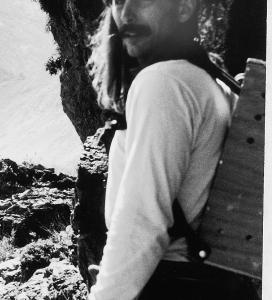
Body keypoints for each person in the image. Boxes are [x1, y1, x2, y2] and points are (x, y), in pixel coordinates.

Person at [86, 0, 259, 299]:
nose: (125, 14)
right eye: (116, 1)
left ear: (183, 8)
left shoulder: (163, 83)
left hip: (170, 283)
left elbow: (141, 222)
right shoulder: (212, 80)